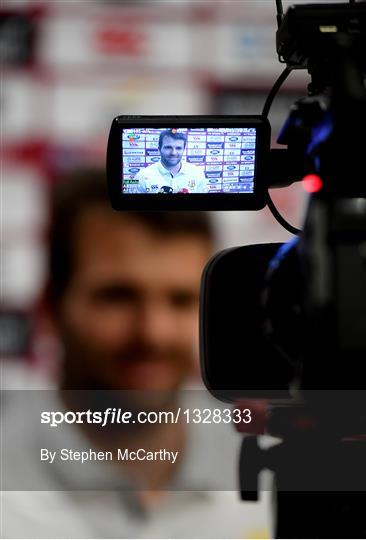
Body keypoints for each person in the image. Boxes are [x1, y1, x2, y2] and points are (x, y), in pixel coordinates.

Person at [1, 169, 272, 538]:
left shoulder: (279, 465)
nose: (153, 333)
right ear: (51, 304)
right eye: (118, 296)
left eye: (180, 300)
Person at [133, 129, 207, 194]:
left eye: (178, 148)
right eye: (168, 147)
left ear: (183, 150)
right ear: (159, 149)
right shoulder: (142, 176)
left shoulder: (197, 173)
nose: (173, 153)